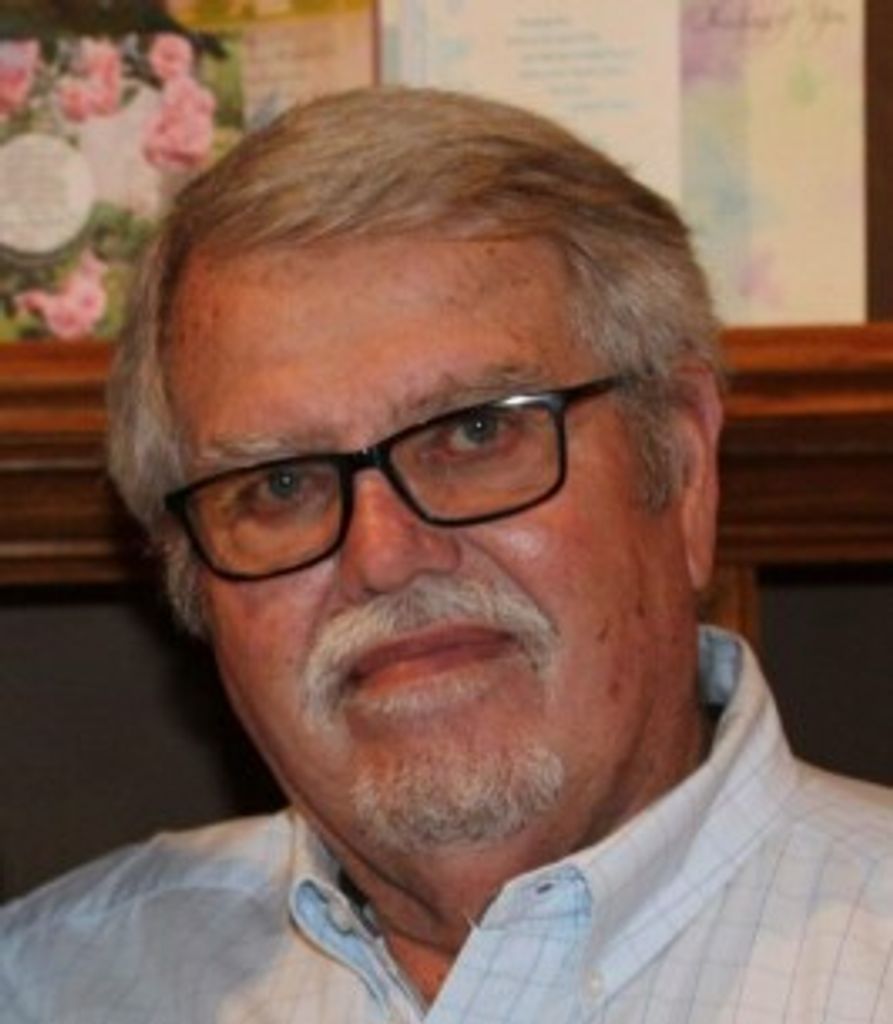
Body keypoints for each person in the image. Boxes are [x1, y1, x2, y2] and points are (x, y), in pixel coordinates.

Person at [2, 87, 891, 1024]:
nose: (384, 555)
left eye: (473, 433)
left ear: (681, 465)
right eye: (281, 485)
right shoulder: (48, 991)